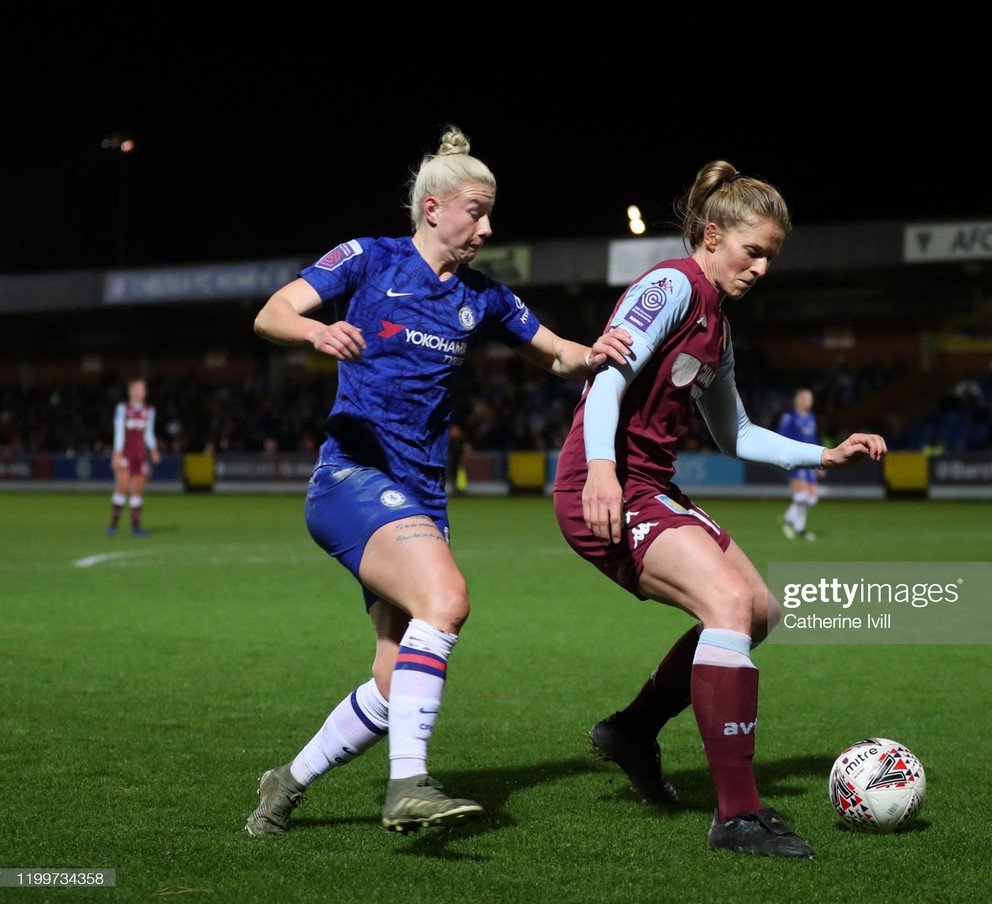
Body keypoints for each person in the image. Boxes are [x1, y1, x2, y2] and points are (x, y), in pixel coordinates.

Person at [244, 125, 631, 838]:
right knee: (448, 599)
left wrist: (596, 352)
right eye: (475, 212)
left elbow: (556, 355)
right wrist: (316, 334)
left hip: (422, 497)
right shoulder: (367, 258)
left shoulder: (483, 296)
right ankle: (409, 785)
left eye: (489, 214)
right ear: (432, 208)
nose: (487, 227)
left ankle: (287, 781)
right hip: (352, 477)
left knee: (397, 677)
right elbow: (272, 312)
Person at [553, 161, 886, 859]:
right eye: (753, 250)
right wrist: (605, 471)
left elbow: (734, 434)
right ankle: (737, 814)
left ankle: (634, 730)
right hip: (603, 485)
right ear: (711, 236)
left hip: (650, 487)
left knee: (759, 611)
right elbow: (607, 380)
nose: (762, 267)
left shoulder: (719, 329)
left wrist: (824, 455)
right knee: (728, 604)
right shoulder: (673, 285)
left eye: (771, 256)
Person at [106, 377, 161, 537]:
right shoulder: (122, 408)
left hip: (140, 454)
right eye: (138, 388)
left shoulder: (149, 410)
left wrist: (154, 449)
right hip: (125, 453)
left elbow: (149, 432)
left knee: (137, 490)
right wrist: (117, 453)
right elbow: (119, 433)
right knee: (122, 488)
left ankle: (135, 528)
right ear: (131, 391)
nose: (142, 391)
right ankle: (113, 525)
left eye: (143, 389)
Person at [777, 387, 820, 540]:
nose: (811, 401)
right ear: (799, 400)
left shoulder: (811, 418)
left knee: (812, 498)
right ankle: (800, 529)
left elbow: (813, 440)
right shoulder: (789, 417)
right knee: (801, 495)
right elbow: (780, 437)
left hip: (810, 461)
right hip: (796, 461)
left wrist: (819, 462)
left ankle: (788, 520)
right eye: (808, 398)